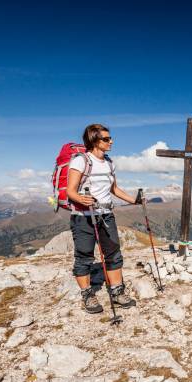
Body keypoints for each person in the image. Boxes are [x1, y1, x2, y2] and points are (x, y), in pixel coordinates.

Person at [66, 124, 141, 314]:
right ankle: (87, 295)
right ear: (94, 140)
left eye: (110, 138)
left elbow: (114, 189)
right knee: (84, 256)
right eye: (106, 139)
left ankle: (117, 292)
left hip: (106, 215)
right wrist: (81, 198)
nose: (111, 141)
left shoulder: (109, 162)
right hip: (83, 217)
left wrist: (135, 200)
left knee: (113, 253)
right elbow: (70, 191)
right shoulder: (80, 161)